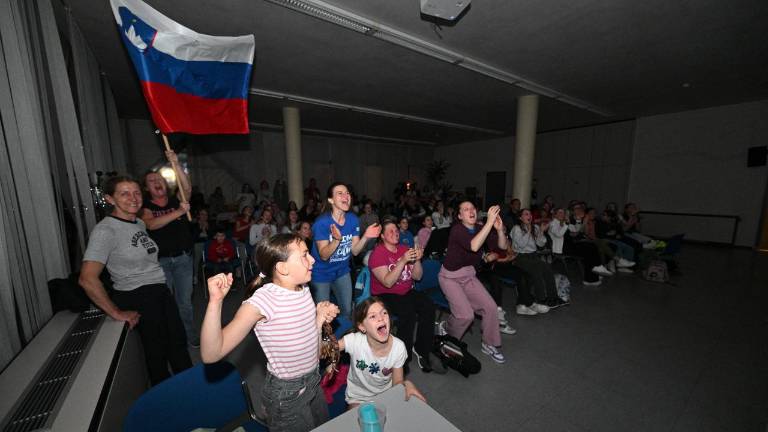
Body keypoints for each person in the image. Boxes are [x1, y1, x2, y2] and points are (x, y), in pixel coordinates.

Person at [200, 234, 339, 432]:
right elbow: (211, 353)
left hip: (313, 382)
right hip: (287, 396)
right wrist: (215, 301)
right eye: (305, 255)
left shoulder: (303, 288)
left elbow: (310, 347)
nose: (313, 259)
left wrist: (318, 318)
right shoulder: (262, 302)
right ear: (283, 268)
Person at [79, 176, 191, 385]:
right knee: (156, 357)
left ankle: (191, 394)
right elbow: (87, 278)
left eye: (137, 192)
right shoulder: (105, 230)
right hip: (136, 295)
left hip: (160, 291)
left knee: (178, 345)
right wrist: (115, 312)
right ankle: (167, 406)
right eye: (124, 193)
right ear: (110, 199)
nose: (133, 198)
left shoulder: (139, 223)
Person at [369, 218, 445, 374]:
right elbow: (388, 282)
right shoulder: (378, 253)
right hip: (385, 294)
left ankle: (423, 349)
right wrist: (403, 261)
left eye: (396, 230)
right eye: (390, 231)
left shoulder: (404, 248)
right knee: (408, 314)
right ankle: (402, 357)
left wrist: (417, 260)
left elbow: (417, 277)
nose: (395, 232)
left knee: (429, 306)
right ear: (382, 236)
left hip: (405, 291)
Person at [438, 202, 509, 364]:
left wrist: (498, 230)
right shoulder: (457, 229)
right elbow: (474, 246)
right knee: (465, 315)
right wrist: (489, 223)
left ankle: (489, 343)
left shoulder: (480, 227)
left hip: (468, 274)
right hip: (449, 277)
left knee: (490, 307)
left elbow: (502, 247)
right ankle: (447, 329)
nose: (471, 211)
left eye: (473, 208)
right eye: (466, 209)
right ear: (459, 216)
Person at [141, 150, 197, 347]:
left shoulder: (176, 200)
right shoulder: (146, 207)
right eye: (151, 180)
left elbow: (187, 187)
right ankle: (171, 338)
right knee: (166, 302)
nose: (157, 182)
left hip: (183, 259)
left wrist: (176, 164)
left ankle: (188, 337)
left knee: (185, 303)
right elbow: (151, 225)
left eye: (159, 179)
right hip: (161, 262)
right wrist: (180, 212)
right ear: (147, 188)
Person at [311, 182, 381, 319]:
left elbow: (355, 251)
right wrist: (337, 240)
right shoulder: (322, 223)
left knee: (347, 311)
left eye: (347, 193)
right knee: (323, 315)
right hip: (321, 274)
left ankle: (343, 337)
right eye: (340, 193)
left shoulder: (353, 219)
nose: (346, 196)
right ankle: (323, 339)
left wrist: (366, 236)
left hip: (342, 271)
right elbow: (324, 255)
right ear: (331, 200)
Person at [338, 297, 426, 407]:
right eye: (373, 316)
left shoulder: (398, 347)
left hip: (386, 395)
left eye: (384, 313)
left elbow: (397, 383)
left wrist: (406, 383)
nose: (381, 318)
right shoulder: (354, 341)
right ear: (362, 327)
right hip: (359, 398)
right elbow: (324, 350)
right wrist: (318, 323)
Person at [510, 209, 566, 307]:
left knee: (547, 268)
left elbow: (540, 244)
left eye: (530, 214)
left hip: (533, 256)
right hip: (520, 257)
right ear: (520, 217)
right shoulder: (516, 228)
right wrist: (528, 231)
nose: (529, 216)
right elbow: (521, 245)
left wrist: (541, 231)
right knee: (536, 270)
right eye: (526, 214)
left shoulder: (535, 227)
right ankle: (541, 299)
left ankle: (553, 298)